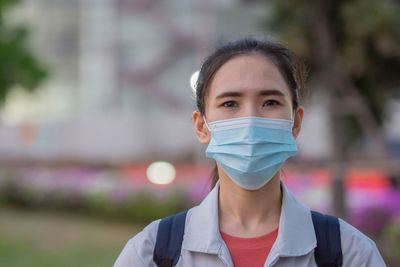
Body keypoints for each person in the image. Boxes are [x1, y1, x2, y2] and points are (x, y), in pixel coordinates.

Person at [114, 38, 386, 267]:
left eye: (270, 102)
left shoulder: (350, 253)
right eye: (230, 103)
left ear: (296, 122)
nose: (251, 120)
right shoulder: (151, 253)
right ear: (201, 126)